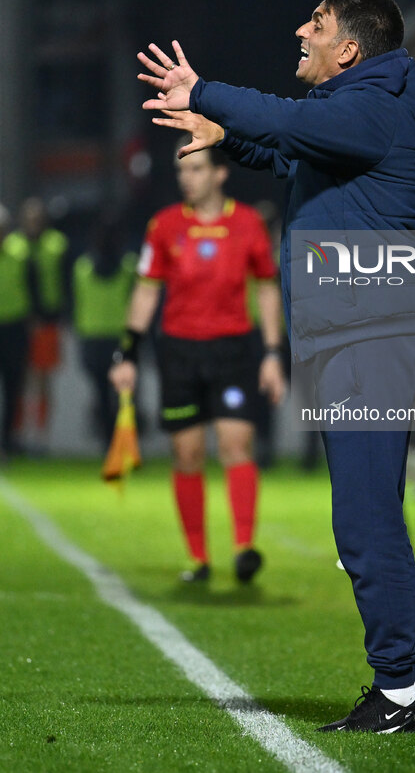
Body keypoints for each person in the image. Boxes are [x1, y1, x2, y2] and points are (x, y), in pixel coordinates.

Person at [137, 0, 415, 733]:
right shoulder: (358, 109)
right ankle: (400, 685)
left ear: (349, 49)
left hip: (370, 335)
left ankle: (402, 691)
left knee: (366, 522)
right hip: (355, 333)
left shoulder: (369, 106)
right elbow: (283, 150)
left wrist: (204, 89)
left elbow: (280, 121)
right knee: (364, 520)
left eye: (317, 23)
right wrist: (225, 136)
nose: (300, 31)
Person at [109, 144, 285, 584]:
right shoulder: (165, 226)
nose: (186, 178)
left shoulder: (247, 224)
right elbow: (147, 290)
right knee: (187, 454)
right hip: (180, 353)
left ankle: (244, 548)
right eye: (181, 170)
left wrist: (271, 354)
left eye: (196, 168)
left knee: (234, 446)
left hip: (233, 352)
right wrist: (127, 352)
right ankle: (198, 557)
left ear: (220, 173)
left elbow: (266, 288)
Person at [73, 214, 137, 447]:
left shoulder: (83, 267)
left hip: (92, 338)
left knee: (102, 395)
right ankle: (124, 444)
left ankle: (109, 443)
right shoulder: (129, 266)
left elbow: (77, 303)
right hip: (120, 339)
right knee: (124, 397)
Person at [11, 197, 69, 451]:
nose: (33, 222)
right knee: (20, 380)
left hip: (47, 320)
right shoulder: (14, 245)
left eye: (38, 218)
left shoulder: (56, 244)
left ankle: (40, 436)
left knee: (43, 379)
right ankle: (17, 434)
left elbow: (65, 280)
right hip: (19, 321)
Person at [0, 205, 35, 458]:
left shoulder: (21, 252)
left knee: (14, 387)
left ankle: (8, 439)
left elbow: (33, 287)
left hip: (15, 327)